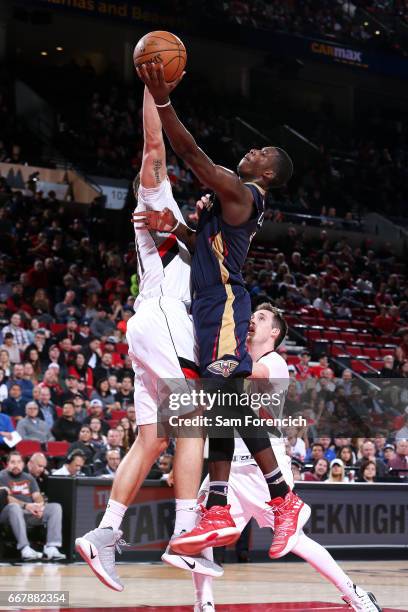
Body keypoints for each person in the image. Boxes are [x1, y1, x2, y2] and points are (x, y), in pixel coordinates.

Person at [136, 65, 307, 560]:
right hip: (211, 306)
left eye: (260, 154)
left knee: (226, 406)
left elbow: (190, 154)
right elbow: (206, 249)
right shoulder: (229, 201)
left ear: (267, 173)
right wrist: (178, 227)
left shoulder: (242, 192)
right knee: (222, 407)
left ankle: (281, 499)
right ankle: (223, 504)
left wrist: (163, 100)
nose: (251, 151)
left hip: (226, 307)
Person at [165, 305, 382, 612]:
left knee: (296, 541)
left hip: (264, 471)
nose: (252, 320)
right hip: (229, 468)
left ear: (275, 333)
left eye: (261, 318)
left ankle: (353, 591)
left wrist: (213, 358)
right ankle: (205, 604)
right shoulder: (234, 362)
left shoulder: (274, 362)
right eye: (252, 316)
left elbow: (248, 376)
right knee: (205, 530)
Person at [75, 87, 205, 592]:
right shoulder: (156, 195)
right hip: (163, 319)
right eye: (162, 175)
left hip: (152, 327)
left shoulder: (179, 229)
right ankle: (186, 534)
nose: (165, 174)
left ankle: (105, 533)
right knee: (193, 416)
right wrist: (156, 87)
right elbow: (154, 144)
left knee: (152, 439)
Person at [0, 450, 65, 560]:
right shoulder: (2, 476)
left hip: (29, 512)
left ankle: (51, 547)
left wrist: (39, 506)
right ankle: (25, 548)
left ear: (23, 464)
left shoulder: (28, 478)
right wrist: (27, 506)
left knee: (55, 507)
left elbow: (37, 495)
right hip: (8, 513)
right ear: (7, 464)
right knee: (14, 507)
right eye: (13, 462)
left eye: (19, 462)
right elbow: (6, 498)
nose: (16, 465)